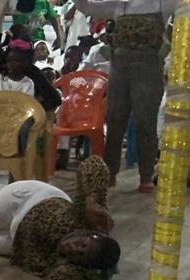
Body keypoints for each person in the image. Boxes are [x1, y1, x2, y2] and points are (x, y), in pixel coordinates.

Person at [74, 0, 176, 193]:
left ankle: (146, 176)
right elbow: (84, 6)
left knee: (145, 123)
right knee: (114, 121)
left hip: (148, 71)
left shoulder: (164, 3)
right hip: (119, 70)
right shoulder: (119, 5)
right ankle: (109, 173)